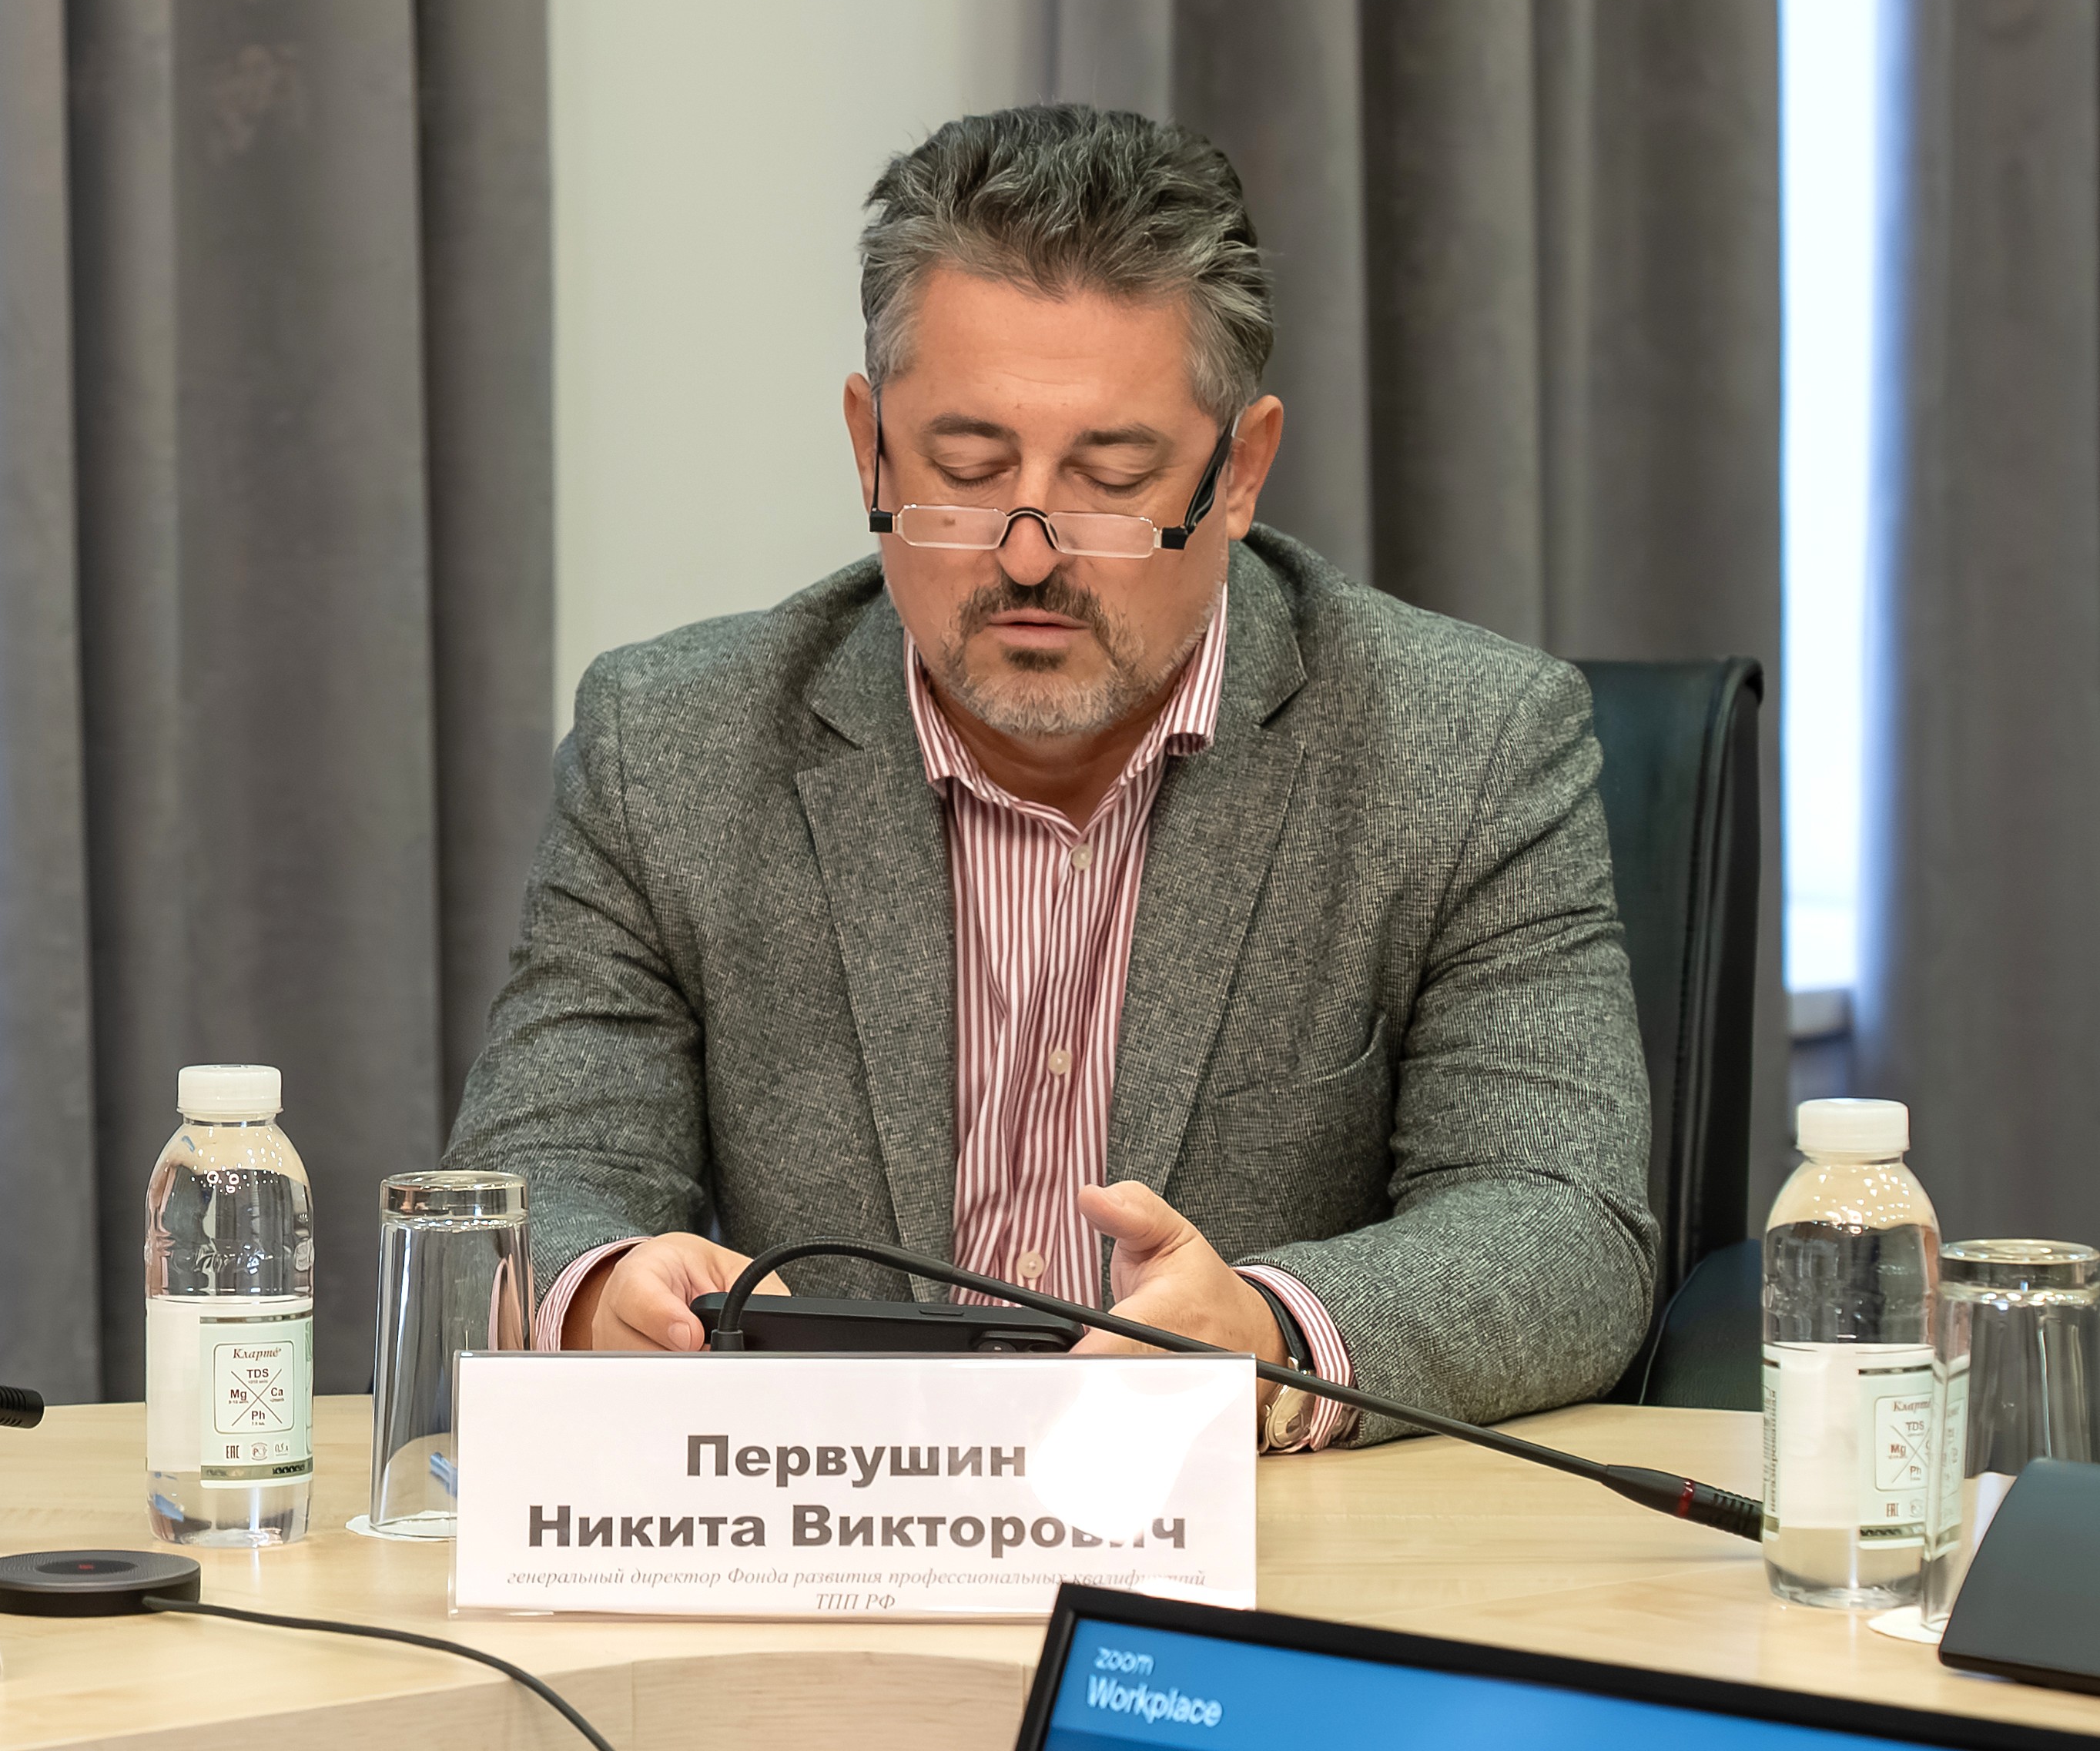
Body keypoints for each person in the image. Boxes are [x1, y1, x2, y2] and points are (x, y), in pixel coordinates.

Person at [450, 104, 1653, 1443]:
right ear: (869, 447)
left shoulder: (1467, 745)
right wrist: (598, 1289)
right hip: (830, 1519)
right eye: (967, 469)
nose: (1028, 553)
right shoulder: (674, 745)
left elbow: (1564, 1223)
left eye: (1110, 477)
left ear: (1240, 470)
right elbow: (533, 1177)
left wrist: (1266, 1331)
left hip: (1247, 1533)